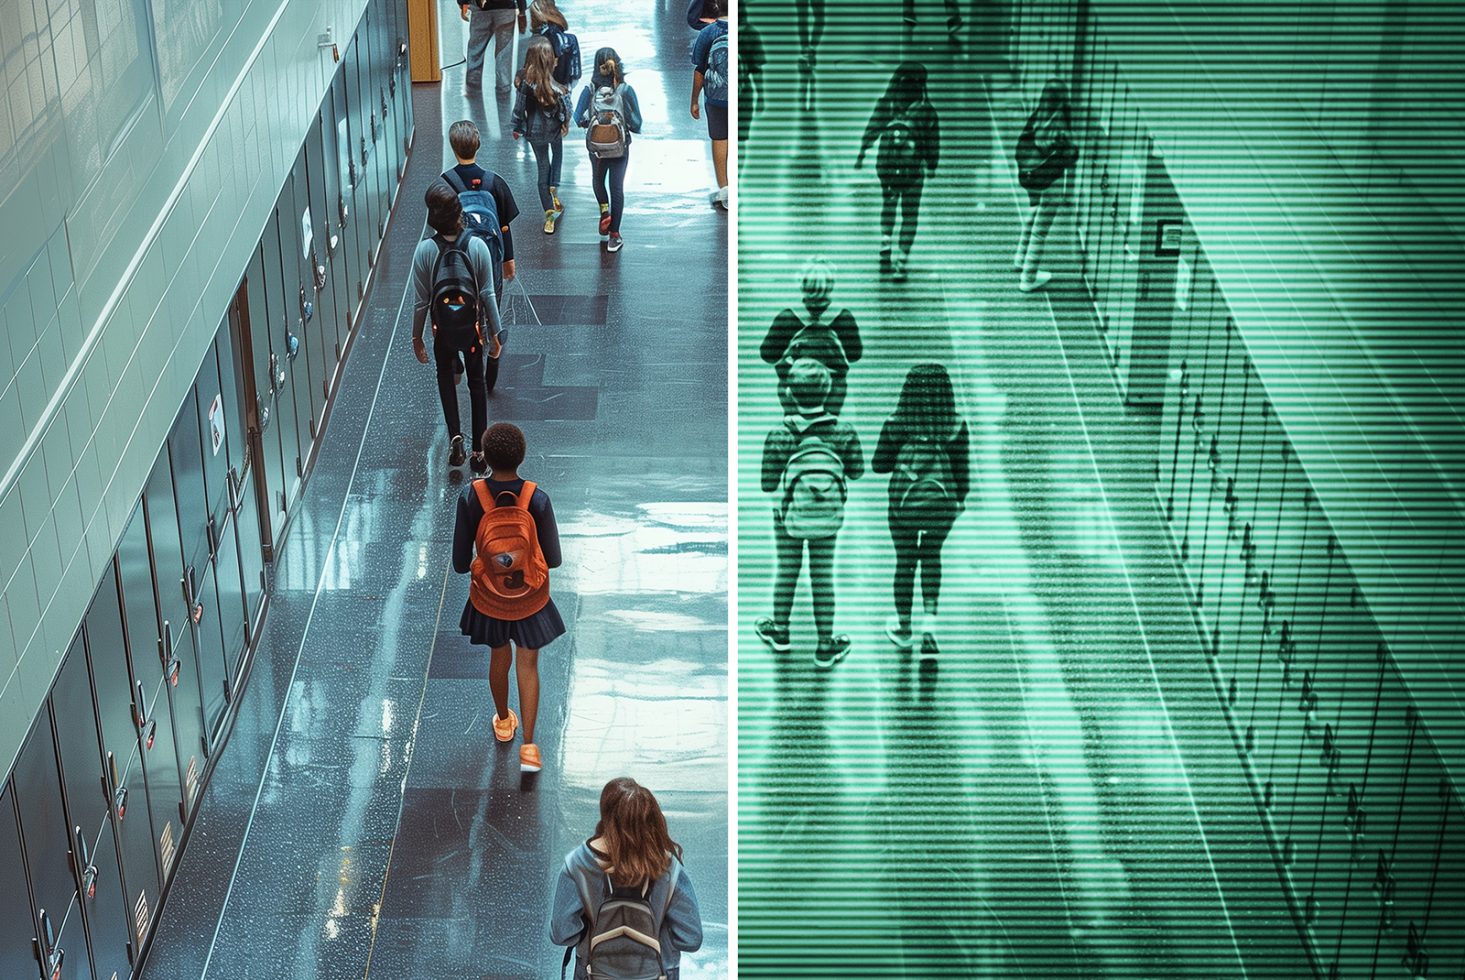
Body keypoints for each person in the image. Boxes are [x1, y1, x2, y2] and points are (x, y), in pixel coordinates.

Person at [452, 422, 566, 774]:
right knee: (527, 665)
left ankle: (504, 721)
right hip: (530, 599)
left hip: (490, 599)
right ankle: (530, 747)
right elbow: (555, 559)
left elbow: (459, 563)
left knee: (499, 657)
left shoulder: (472, 497)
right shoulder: (538, 498)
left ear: (484, 456)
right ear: (522, 456)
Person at [755, 359, 865, 669]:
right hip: (827, 518)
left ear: (789, 392)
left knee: (787, 570)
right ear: (828, 390)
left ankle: (780, 632)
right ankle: (825, 646)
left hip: (787, 515)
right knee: (822, 577)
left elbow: (767, 484)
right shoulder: (843, 432)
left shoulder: (779, 434)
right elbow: (856, 472)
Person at [551, 778, 704, 979]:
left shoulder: (578, 864)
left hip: (594, 973)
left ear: (605, 814)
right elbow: (690, 938)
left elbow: (562, 934)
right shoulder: (667, 867)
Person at [872, 364, 970, 659]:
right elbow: (962, 474)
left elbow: (879, 465)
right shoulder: (956, 427)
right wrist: (958, 502)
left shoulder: (895, 424)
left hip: (902, 508)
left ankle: (904, 629)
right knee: (931, 557)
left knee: (905, 562)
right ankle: (930, 626)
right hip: (942, 509)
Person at [412, 182, 503, 472]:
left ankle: (455, 437)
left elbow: (421, 302)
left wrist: (417, 338)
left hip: (443, 333)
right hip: (472, 332)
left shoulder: (425, 251)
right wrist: (496, 335)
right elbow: (487, 293)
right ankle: (479, 453)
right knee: (476, 384)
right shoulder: (476, 246)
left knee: (444, 377)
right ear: (459, 213)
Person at [855, 63, 940, 280]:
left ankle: (885, 248)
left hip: (887, 168)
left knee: (888, 204)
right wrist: (931, 165)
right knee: (910, 215)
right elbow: (932, 144)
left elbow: (872, 128)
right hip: (912, 173)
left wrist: (862, 152)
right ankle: (901, 264)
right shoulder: (927, 111)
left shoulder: (887, 103)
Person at [759, 257, 862, 416]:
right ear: (831, 286)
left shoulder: (787, 318)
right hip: (832, 393)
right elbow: (855, 356)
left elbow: (767, 356)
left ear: (801, 285)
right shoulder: (843, 318)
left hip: (794, 392)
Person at [575, 48, 643, 253]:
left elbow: (578, 117)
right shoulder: (625, 89)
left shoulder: (589, 89)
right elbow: (638, 122)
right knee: (617, 188)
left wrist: (590, 123)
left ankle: (604, 210)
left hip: (597, 149)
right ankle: (614, 235)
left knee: (598, 179)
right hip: (620, 148)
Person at [1014, 78, 1078, 293]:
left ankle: (1020, 258)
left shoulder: (1037, 116)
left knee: (1034, 213)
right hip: (1050, 181)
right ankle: (1028, 277)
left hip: (1030, 178)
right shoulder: (1059, 125)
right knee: (1041, 231)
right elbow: (1070, 156)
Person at [511, 37, 572, 235]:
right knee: (558, 156)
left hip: (534, 133)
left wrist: (517, 127)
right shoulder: (558, 88)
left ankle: (549, 214)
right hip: (554, 131)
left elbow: (519, 108)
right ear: (549, 61)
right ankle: (555, 185)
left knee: (542, 168)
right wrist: (564, 123)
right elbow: (566, 110)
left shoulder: (525, 86)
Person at [690, 0, 730, 209]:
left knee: (720, 140)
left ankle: (725, 190)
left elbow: (699, 69)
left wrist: (694, 100)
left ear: (716, 7)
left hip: (716, 98)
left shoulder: (708, 32)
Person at [458, 0, 527, 95]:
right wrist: (522, 10)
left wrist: (462, 3)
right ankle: (504, 86)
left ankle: (472, 85)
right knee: (504, 52)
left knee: (476, 49)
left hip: (480, 9)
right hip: (505, 9)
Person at [528, 0, 580, 89]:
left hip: (541, 88)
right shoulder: (571, 39)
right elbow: (575, 75)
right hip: (563, 87)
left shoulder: (536, 41)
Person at [740, 5, 766, 147]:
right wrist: (761, 96)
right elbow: (756, 70)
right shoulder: (750, 33)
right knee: (741, 140)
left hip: (720, 91)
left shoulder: (717, 29)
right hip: (743, 93)